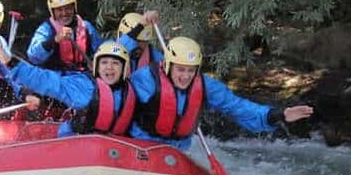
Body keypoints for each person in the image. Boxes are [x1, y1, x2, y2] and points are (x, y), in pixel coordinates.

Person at [129, 36, 314, 150]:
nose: (186, 76)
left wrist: (277, 114)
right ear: (168, 65)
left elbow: (238, 107)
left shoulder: (206, 86)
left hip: (176, 152)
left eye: (190, 70)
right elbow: (117, 100)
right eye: (180, 70)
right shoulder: (145, 79)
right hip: (142, 144)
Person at [0, 41, 135, 138]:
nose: (109, 67)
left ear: (124, 69)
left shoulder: (130, 91)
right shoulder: (83, 87)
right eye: (104, 62)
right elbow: (46, 80)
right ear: (97, 67)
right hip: (75, 141)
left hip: (114, 147)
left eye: (115, 63)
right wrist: (11, 63)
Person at [26, 0, 103, 73]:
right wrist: (54, 40)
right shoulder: (46, 29)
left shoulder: (86, 26)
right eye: (59, 10)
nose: (64, 13)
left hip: (83, 75)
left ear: (74, 8)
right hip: (56, 77)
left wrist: (96, 63)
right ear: (53, 11)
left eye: (68, 8)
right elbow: (33, 56)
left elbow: (100, 50)